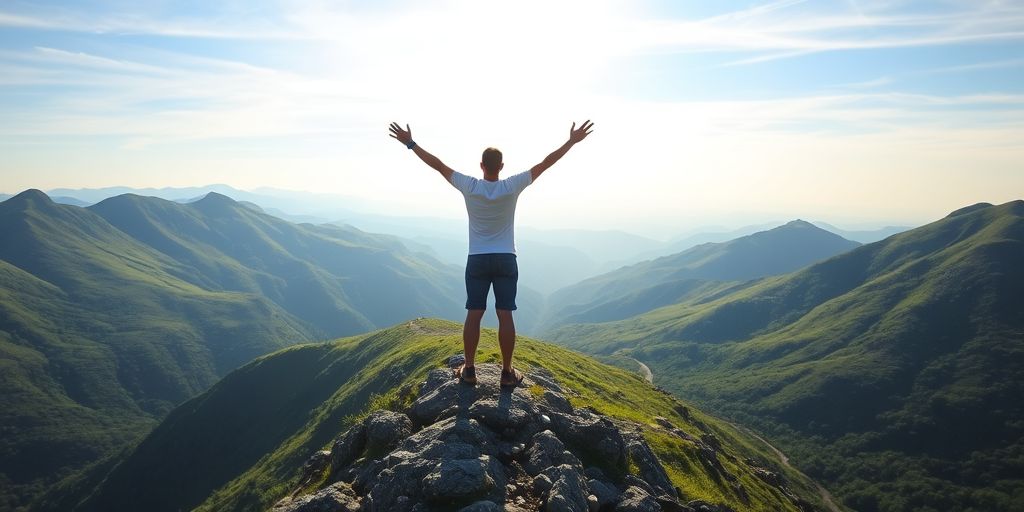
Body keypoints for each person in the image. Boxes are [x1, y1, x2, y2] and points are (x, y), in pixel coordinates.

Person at [389, 120, 594, 386]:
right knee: (505, 314)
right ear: (502, 167)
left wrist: (410, 143)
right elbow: (545, 163)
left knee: (474, 314)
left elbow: (438, 165)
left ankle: (470, 369)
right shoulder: (512, 186)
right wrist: (571, 142)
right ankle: (507, 373)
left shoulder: (470, 186)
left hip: (477, 259)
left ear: (482, 166)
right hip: (507, 257)